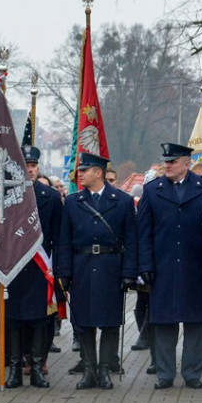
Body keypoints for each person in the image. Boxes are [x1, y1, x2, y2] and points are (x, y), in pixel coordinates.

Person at [137, 143, 202, 389]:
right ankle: (165, 373)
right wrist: (145, 265)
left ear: (187, 163)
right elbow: (144, 232)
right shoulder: (153, 190)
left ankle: (192, 373)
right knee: (163, 322)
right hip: (162, 267)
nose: (168, 165)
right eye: (166, 161)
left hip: (195, 267)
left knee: (195, 321)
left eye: (173, 162)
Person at [57, 152, 137, 390]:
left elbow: (132, 239)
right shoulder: (73, 201)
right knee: (83, 322)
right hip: (81, 266)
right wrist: (64, 272)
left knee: (110, 322)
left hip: (110, 266)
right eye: (80, 170)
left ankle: (104, 370)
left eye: (85, 170)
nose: (79, 174)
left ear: (99, 173)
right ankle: (89, 370)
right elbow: (64, 240)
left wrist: (129, 273)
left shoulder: (121, 201)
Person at [3, 145, 62, 389]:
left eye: (33, 165)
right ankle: (15, 368)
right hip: (13, 269)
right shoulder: (5, 197)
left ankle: (37, 367)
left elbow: (59, 237)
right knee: (13, 320)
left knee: (40, 320)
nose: (29, 169)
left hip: (40, 270)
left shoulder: (50, 197)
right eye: (25, 166)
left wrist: (60, 271)